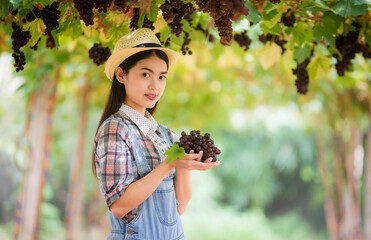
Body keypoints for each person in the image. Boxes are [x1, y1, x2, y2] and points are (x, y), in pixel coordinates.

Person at [92, 28, 221, 240]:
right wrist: (169, 164)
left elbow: (179, 207)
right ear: (121, 74)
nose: (155, 86)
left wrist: (184, 164)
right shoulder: (115, 129)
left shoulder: (166, 135)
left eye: (162, 77)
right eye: (145, 74)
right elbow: (119, 206)